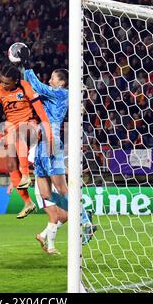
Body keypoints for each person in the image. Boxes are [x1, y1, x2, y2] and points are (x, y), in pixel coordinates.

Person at [19, 49, 96, 248]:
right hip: (41, 144)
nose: (50, 81)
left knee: (61, 189)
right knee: (45, 194)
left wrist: (27, 65)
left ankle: (85, 222)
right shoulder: (51, 97)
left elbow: (36, 85)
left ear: (61, 82)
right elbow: (32, 91)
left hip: (51, 141)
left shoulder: (61, 93)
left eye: (53, 78)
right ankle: (83, 216)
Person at [0, 64, 54, 219]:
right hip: (12, 128)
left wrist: (49, 132)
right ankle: (28, 203)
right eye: (1, 81)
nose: (3, 85)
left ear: (16, 81)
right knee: (10, 165)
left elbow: (40, 111)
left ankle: (26, 175)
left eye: (7, 82)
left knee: (19, 132)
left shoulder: (25, 86)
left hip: (31, 125)